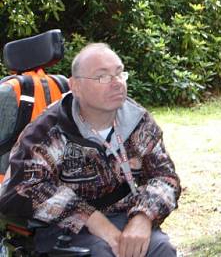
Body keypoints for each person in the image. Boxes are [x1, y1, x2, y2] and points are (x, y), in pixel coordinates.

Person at [0, 43, 181, 257]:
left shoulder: (137, 121)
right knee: (98, 253)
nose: (116, 83)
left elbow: (165, 177)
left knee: (162, 249)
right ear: (75, 86)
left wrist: (143, 217)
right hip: (63, 227)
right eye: (102, 77)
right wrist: (93, 220)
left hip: (126, 216)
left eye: (120, 73)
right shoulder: (48, 131)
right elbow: (22, 190)